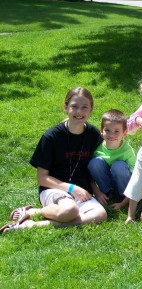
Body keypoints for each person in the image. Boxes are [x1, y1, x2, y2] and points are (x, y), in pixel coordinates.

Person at [1, 87, 107, 234]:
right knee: (70, 211)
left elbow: (97, 166)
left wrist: (96, 191)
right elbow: (41, 178)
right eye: (74, 107)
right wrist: (71, 188)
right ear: (66, 107)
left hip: (82, 192)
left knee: (100, 215)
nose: (79, 112)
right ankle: (38, 212)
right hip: (54, 189)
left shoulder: (93, 135)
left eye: (84, 108)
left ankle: (32, 221)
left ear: (91, 109)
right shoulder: (51, 137)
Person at [88, 109, 136, 210]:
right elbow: (89, 175)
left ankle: (122, 195)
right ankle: (107, 192)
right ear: (101, 130)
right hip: (106, 182)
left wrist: (124, 201)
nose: (111, 135)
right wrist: (97, 192)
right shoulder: (97, 148)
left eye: (116, 131)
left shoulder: (127, 150)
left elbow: (136, 177)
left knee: (118, 166)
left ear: (124, 133)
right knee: (94, 162)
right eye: (107, 130)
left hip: (124, 185)